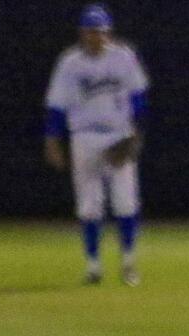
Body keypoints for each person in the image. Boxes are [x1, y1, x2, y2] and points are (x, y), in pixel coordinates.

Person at [43, 4, 149, 286]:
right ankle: (93, 265)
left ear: (108, 32)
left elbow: (139, 97)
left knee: (126, 202)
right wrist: (52, 139)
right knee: (90, 207)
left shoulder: (123, 57)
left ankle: (128, 262)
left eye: (100, 31)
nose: (96, 36)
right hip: (84, 138)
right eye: (91, 31)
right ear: (82, 33)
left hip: (119, 135)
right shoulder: (69, 62)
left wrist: (138, 135)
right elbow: (56, 105)